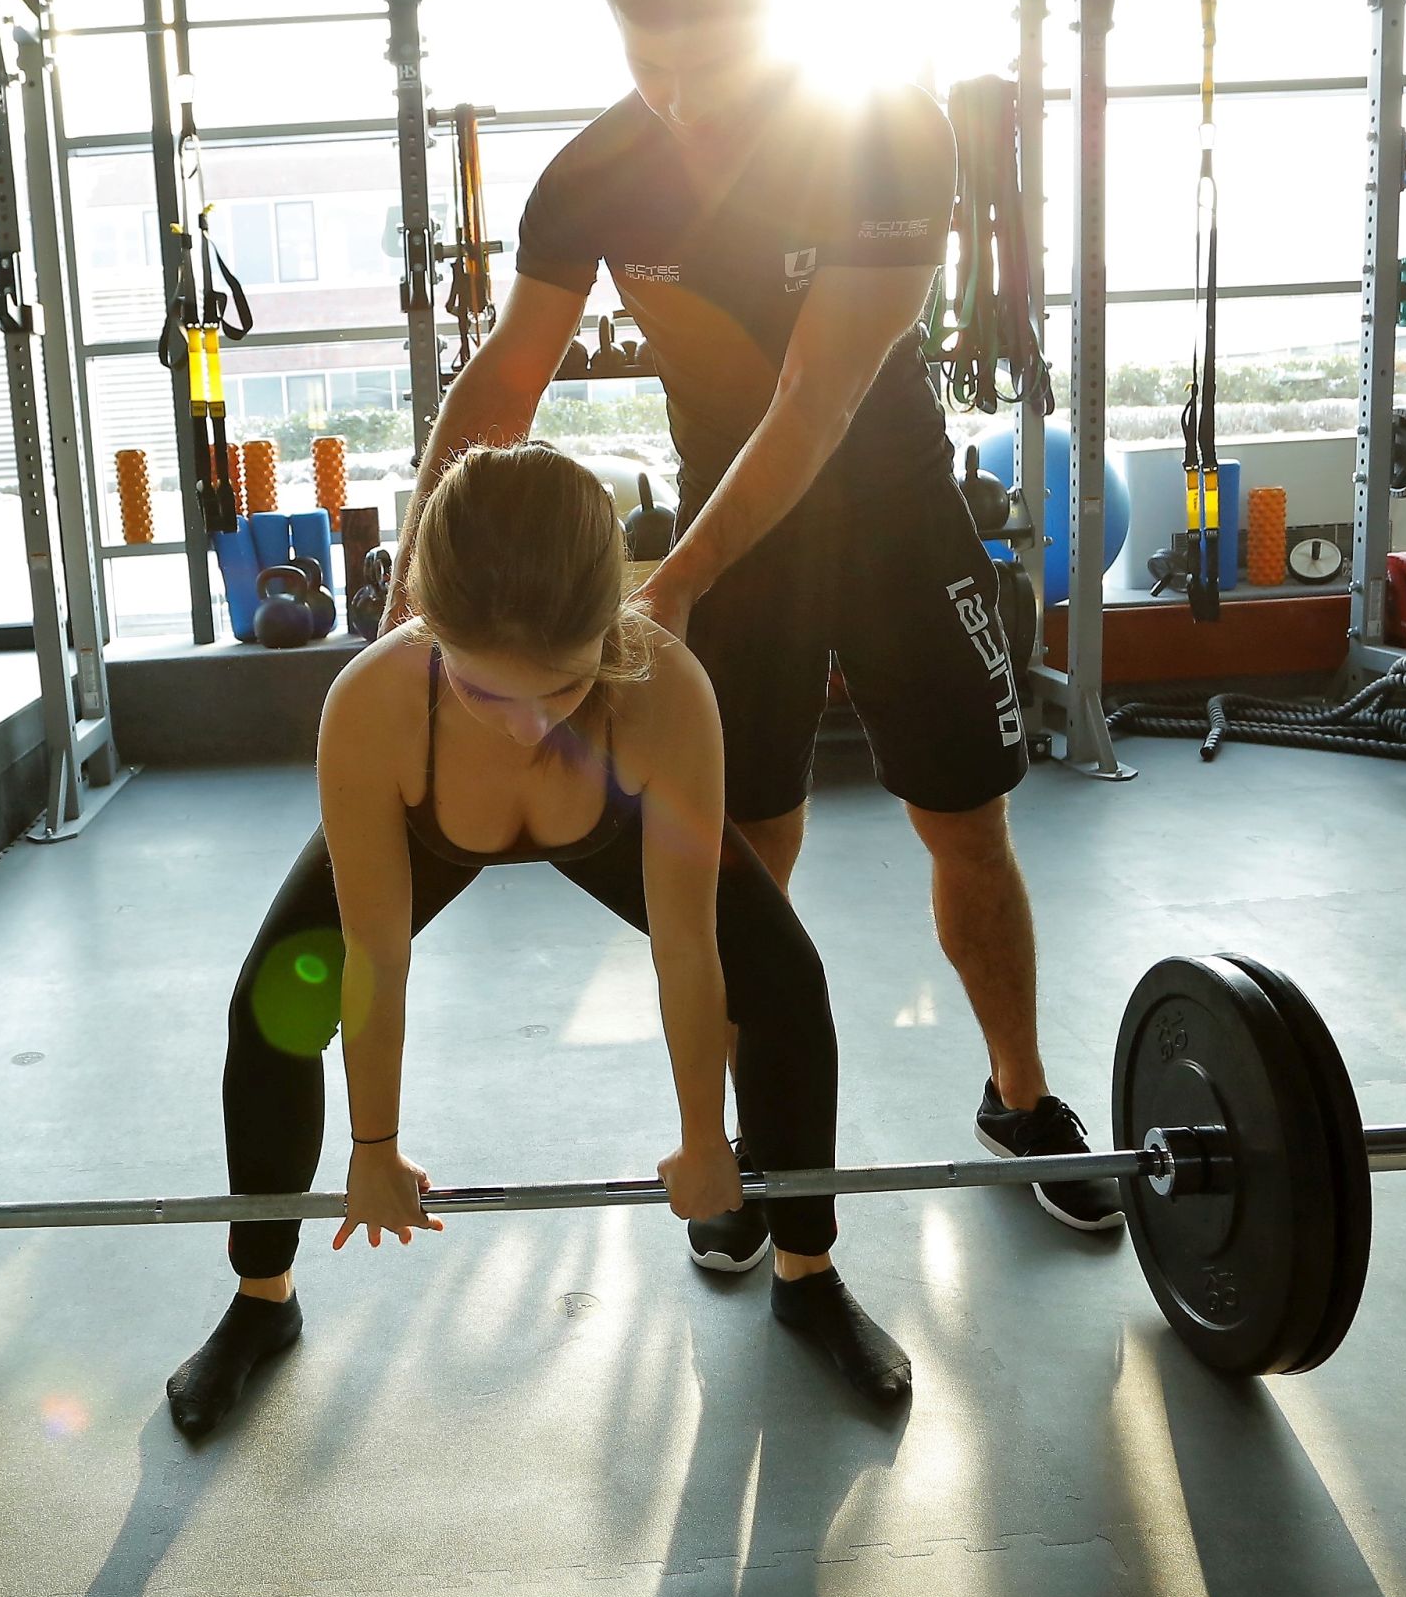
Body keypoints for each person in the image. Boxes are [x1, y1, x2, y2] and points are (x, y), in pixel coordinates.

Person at [388, 0, 1121, 1245]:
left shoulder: (890, 134)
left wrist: (672, 584)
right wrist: (412, 590)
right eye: (649, 66)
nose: (682, 102)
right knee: (739, 855)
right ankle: (731, 1140)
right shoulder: (593, 176)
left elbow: (818, 396)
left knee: (964, 826)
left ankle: (1021, 1096)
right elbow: (503, 382)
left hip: (895, 521)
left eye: (709, 66)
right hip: (735, 547)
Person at [166, 442, 910, 1438]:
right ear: (429, 624)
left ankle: (806, 1271)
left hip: (613, 815)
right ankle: (263, 1296)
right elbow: (376, 954)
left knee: (782, 978)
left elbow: (687, 947)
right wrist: (373, 1147)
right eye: (485, 693)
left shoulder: (664, 689)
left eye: (559, 691)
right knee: (275, 1008)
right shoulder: (373, 704)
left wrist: (703, 1138)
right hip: (430, 819)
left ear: (608, 633)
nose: (524, 730)